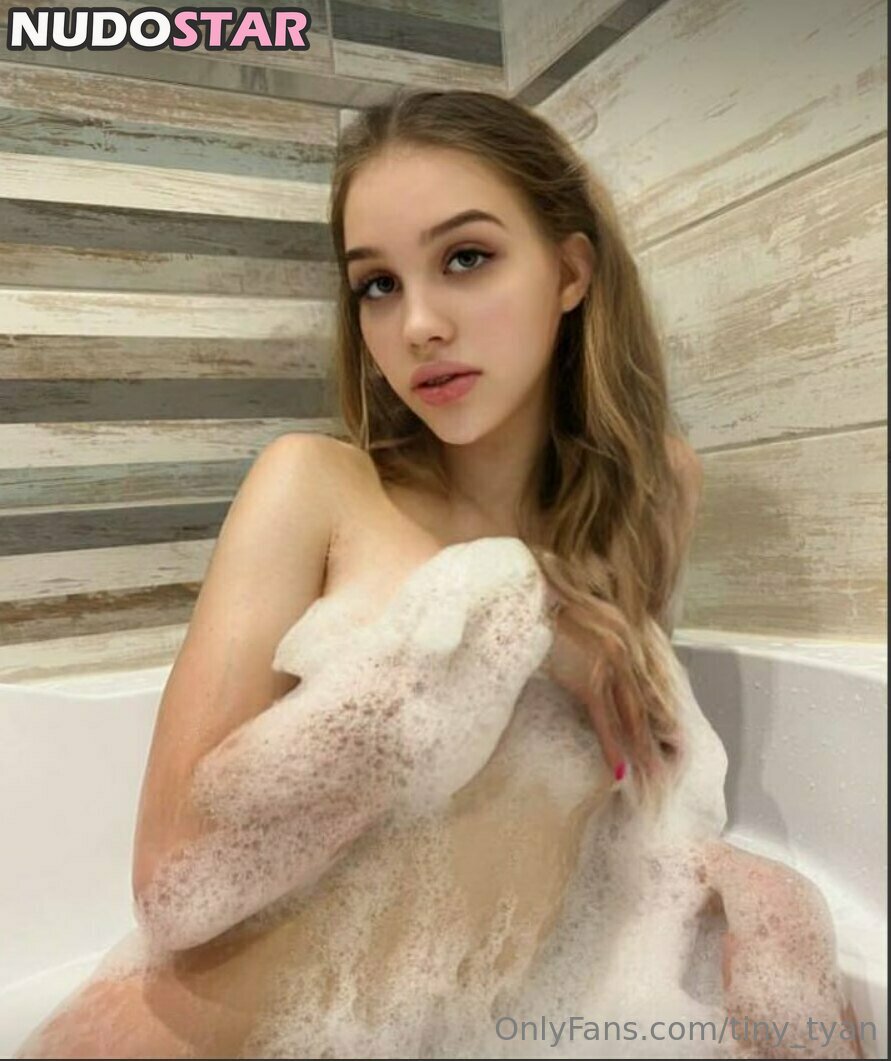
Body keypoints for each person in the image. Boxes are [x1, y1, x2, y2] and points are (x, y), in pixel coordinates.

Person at [15, 88, 862, 1060]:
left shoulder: (654, 493)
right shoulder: (314, 487)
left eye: (465, 258)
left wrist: (767, 896)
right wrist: (525, 615)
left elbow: (632, 802)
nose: (417, 323)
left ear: (570, 271)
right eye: (377, 283)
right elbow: (173, 885)